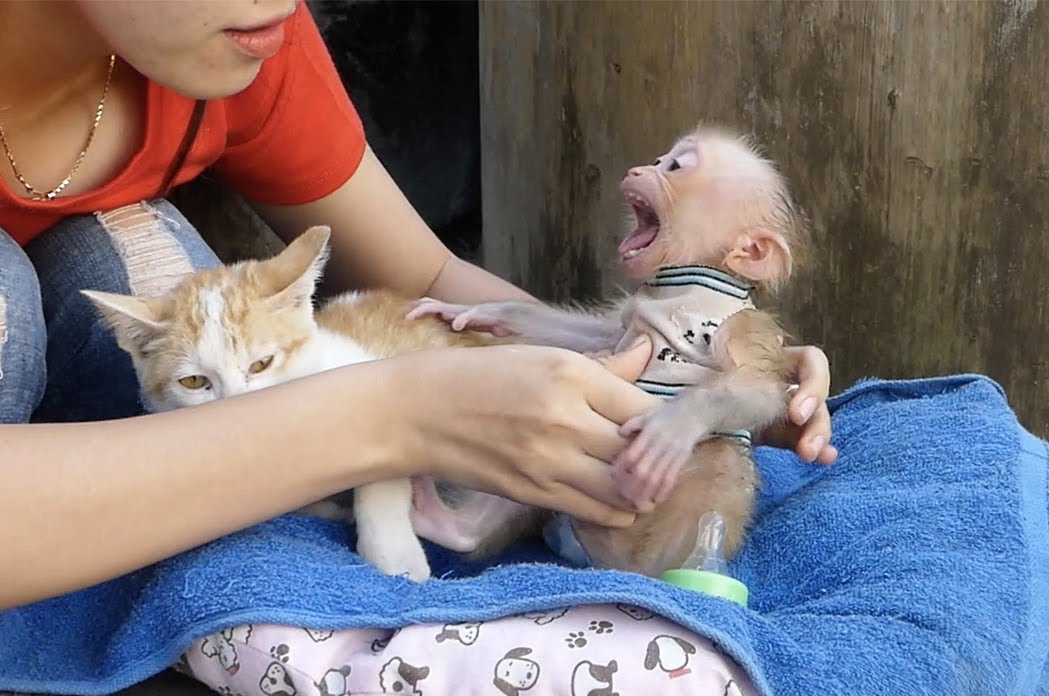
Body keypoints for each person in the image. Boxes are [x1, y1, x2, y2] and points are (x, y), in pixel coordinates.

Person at [0, 0, 836, 612]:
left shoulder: (245, 40)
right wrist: (385, 416)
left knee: (115, 256)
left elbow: (431, 274)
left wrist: (685, 383)